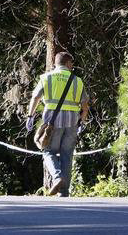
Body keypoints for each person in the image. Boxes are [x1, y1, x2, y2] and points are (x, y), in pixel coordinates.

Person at [26, 52, 89, 197]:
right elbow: (85, 106)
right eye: (71, 64)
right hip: (72, 122)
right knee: (67, 155)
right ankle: (64, 191)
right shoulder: (77, 81)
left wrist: (30, 116)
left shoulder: (46, 77)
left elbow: (35, 97)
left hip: (52, 122)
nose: (72, 66)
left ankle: (57, 177)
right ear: (68, 64)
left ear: (55, 63)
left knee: (48, 151)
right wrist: (82, 122)